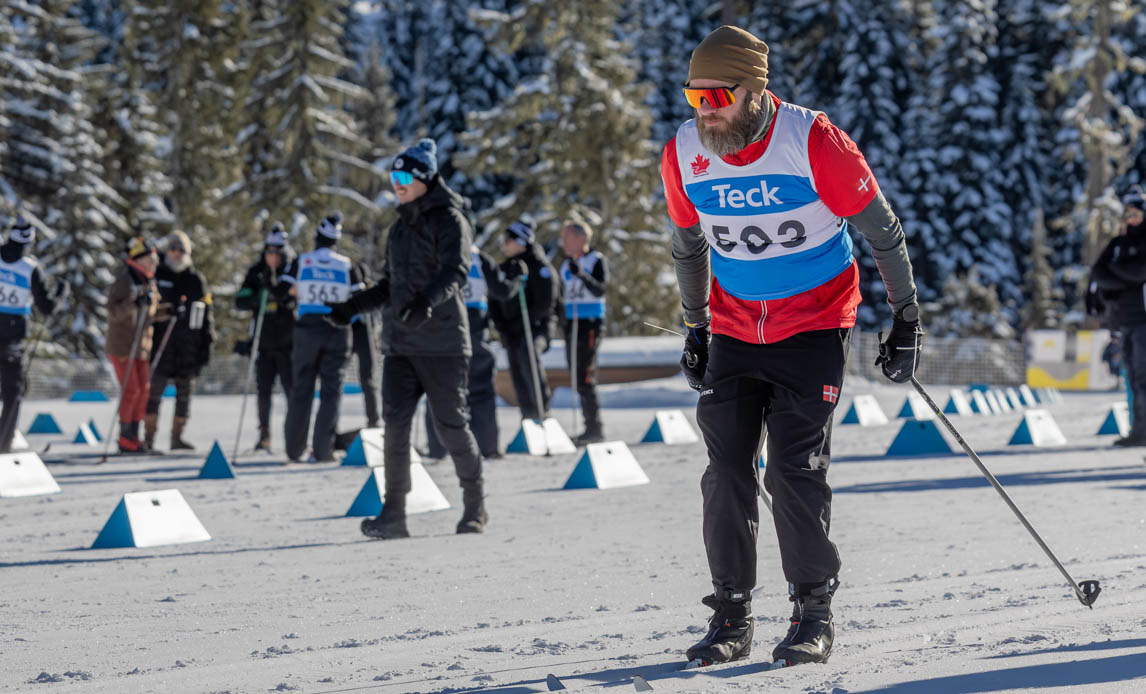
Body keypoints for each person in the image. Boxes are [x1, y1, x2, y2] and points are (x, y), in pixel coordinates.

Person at [661, 26, 922, 668]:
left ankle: (814, 611)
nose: (707, 109)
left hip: (813, 325)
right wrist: (696, 325)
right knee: (725, 471)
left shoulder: (812, 141)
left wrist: (906, 318)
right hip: (733, 328)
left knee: (791, 468)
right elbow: (689, 244)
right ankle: (731, 613)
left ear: (755, 90)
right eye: (696, 98)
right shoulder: (686, 150)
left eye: (718, 95)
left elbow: (881, 231)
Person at [326, 138, 488, 538]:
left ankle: (475, 507)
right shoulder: (398, 230)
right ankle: (393, 513)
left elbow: (456, 271)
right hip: (400, 345)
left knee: (450, 426)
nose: (395, 183)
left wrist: (426, 303)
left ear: (423, 178)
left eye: (402, 176)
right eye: (392, 177)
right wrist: (353, 306)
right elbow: (390, 285)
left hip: (444, 344)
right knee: (394, 427)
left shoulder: (452, 221)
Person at [423, 245, 523, 459]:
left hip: (443, 330)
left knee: (439, 391)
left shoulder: (436, 252)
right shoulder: (479, 258)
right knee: (481, 391)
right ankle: (488, 447)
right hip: (475, 331)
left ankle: (437, 448)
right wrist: (515, 278)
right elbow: (502, 291)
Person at [280, 212, 363, 462]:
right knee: (331, 392)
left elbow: (281, 291)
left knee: (301, 390)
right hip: (338, 330)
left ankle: (294, 450)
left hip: (307, 329)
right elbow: (360, 301)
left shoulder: (302, 261)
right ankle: (324, 450)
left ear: (317, 238)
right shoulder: (347, 265)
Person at [0, 216, 67, 452]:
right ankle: (3, 444)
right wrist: (59, 293)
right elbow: (46, 308)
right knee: (13, 392)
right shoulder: (29, 268)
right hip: (12, 338)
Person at [144, 231, 214, 451]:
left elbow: (207, 315)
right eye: (173, 249)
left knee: (185, 396)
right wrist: (166, 311)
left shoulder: (195, 279)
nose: (177, 253)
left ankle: (177, 437)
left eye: (181, 250)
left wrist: (207, 345)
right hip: (160, 345)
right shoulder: (158, 275)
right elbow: (148, 310)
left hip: (188, 347)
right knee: (153, 393)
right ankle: (148, 438)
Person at [1091, 185, 1146, 446]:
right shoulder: (1117, 245)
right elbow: (1099, 273)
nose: (1132, 218)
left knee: (1144, 377)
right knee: (1134, 379)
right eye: (1129, 214)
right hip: (1124, 320)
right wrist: (1123, 276)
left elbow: (1140, 273)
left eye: (1136, 213)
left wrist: (1118, 274)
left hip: (1144, 319)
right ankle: (1139, 430)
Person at [489, 219, 558, 421]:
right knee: (516, 367)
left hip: (536, 328)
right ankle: (527, 415)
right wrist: (502, 326)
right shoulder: (504, 268)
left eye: (508, 240)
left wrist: (518, 324)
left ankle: (541, 411)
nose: (504, 244)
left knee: (528, 353)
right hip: (511, 331)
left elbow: (546, 304)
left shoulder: (539, 267)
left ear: (520, 241)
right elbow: (494, 298)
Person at [235, 223, 296, 452]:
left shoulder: (291, 270)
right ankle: (264, 435)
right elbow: (240, 299)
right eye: (269, 251)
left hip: (289, 342)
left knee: (292, 390)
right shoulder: (257, 272)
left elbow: (296, 297)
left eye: (276, 252)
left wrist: (281, 297)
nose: (272, 257)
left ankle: (294, 433)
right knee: (264, 391)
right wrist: (258, 297)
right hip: (264, 341)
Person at [106, 236, 160, 454]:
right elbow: (113, 312)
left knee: (143, 390)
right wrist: (134, 304)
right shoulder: (125, 281)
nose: (155, 263)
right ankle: (125, 436)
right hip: (123, 347)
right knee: (131, 390)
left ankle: (135, 435)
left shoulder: (150, 281)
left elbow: (151, 312)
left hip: (142, 347)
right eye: (151, 259)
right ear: (139, 259)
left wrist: (168, 311)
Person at [559, 220, 609, 445]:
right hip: (572, 322)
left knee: (586, 375)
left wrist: (582, 275)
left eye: (567, 237)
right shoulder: (565, 263)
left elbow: (600, 289)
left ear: (581, 238)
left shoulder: (595, 260)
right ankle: (587, 426)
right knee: (575, 375)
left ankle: (594, 428)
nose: (563, 242)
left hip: (589, 322)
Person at [350, 261, 381, 429]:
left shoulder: (369, 288)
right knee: (337, 377)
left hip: (363, 331)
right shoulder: (349, 280)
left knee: (368, 378)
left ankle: (374, 420)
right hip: (348, 330)